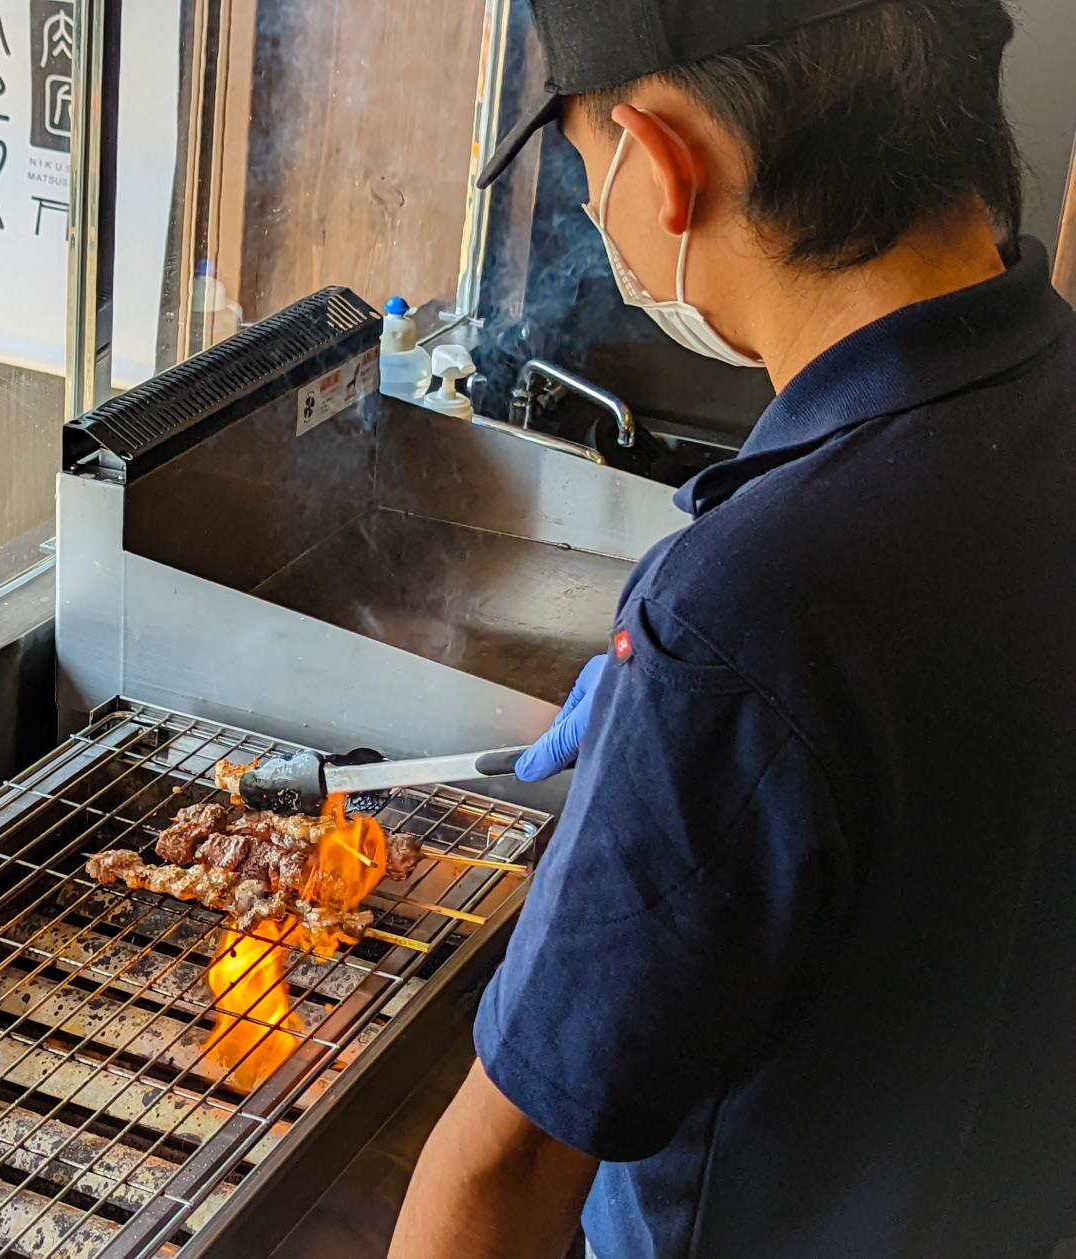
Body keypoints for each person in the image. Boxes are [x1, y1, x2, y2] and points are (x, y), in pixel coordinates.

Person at [390, 2, 1076, 1257]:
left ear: (660, 165)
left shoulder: (752, 605)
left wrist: (711, 688)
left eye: (586, 163)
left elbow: (508, 1169)